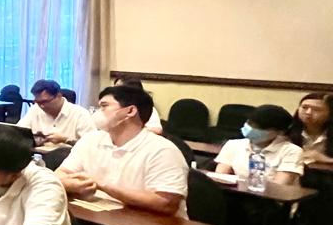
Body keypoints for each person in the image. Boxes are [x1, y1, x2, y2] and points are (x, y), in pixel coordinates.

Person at [58, 85, 188, 217]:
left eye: (104, 106)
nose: (98, 113)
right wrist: (71, 184)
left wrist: (102, 184)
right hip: (97, 218)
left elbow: (166, 203)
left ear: (130, 111)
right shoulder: (90, 139)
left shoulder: (163, 150)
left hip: (148, 224)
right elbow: (60, 174)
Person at [215, 105, 304, 185]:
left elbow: (280, 186)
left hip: (269, 196)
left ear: (280, 132)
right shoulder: (233, 144)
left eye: (259, 128)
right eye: (250, 123)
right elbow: (220, 177)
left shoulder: (291, 151)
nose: (252, 129)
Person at [18, 79, 95, 146]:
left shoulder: (80, 114)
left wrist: (66, 140)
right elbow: (18, 133)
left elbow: (92, 145)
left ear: (59, 96)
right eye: (37, 102)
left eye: (45, 101)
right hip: (38, 154)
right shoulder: (35, 109)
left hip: (69, 155)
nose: (41, 106)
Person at [291, 93, 333, 169]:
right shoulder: (286, 131)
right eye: (304, 107)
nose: (308, 112)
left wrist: (326, 159)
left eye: (317, 109)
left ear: (329, 113)